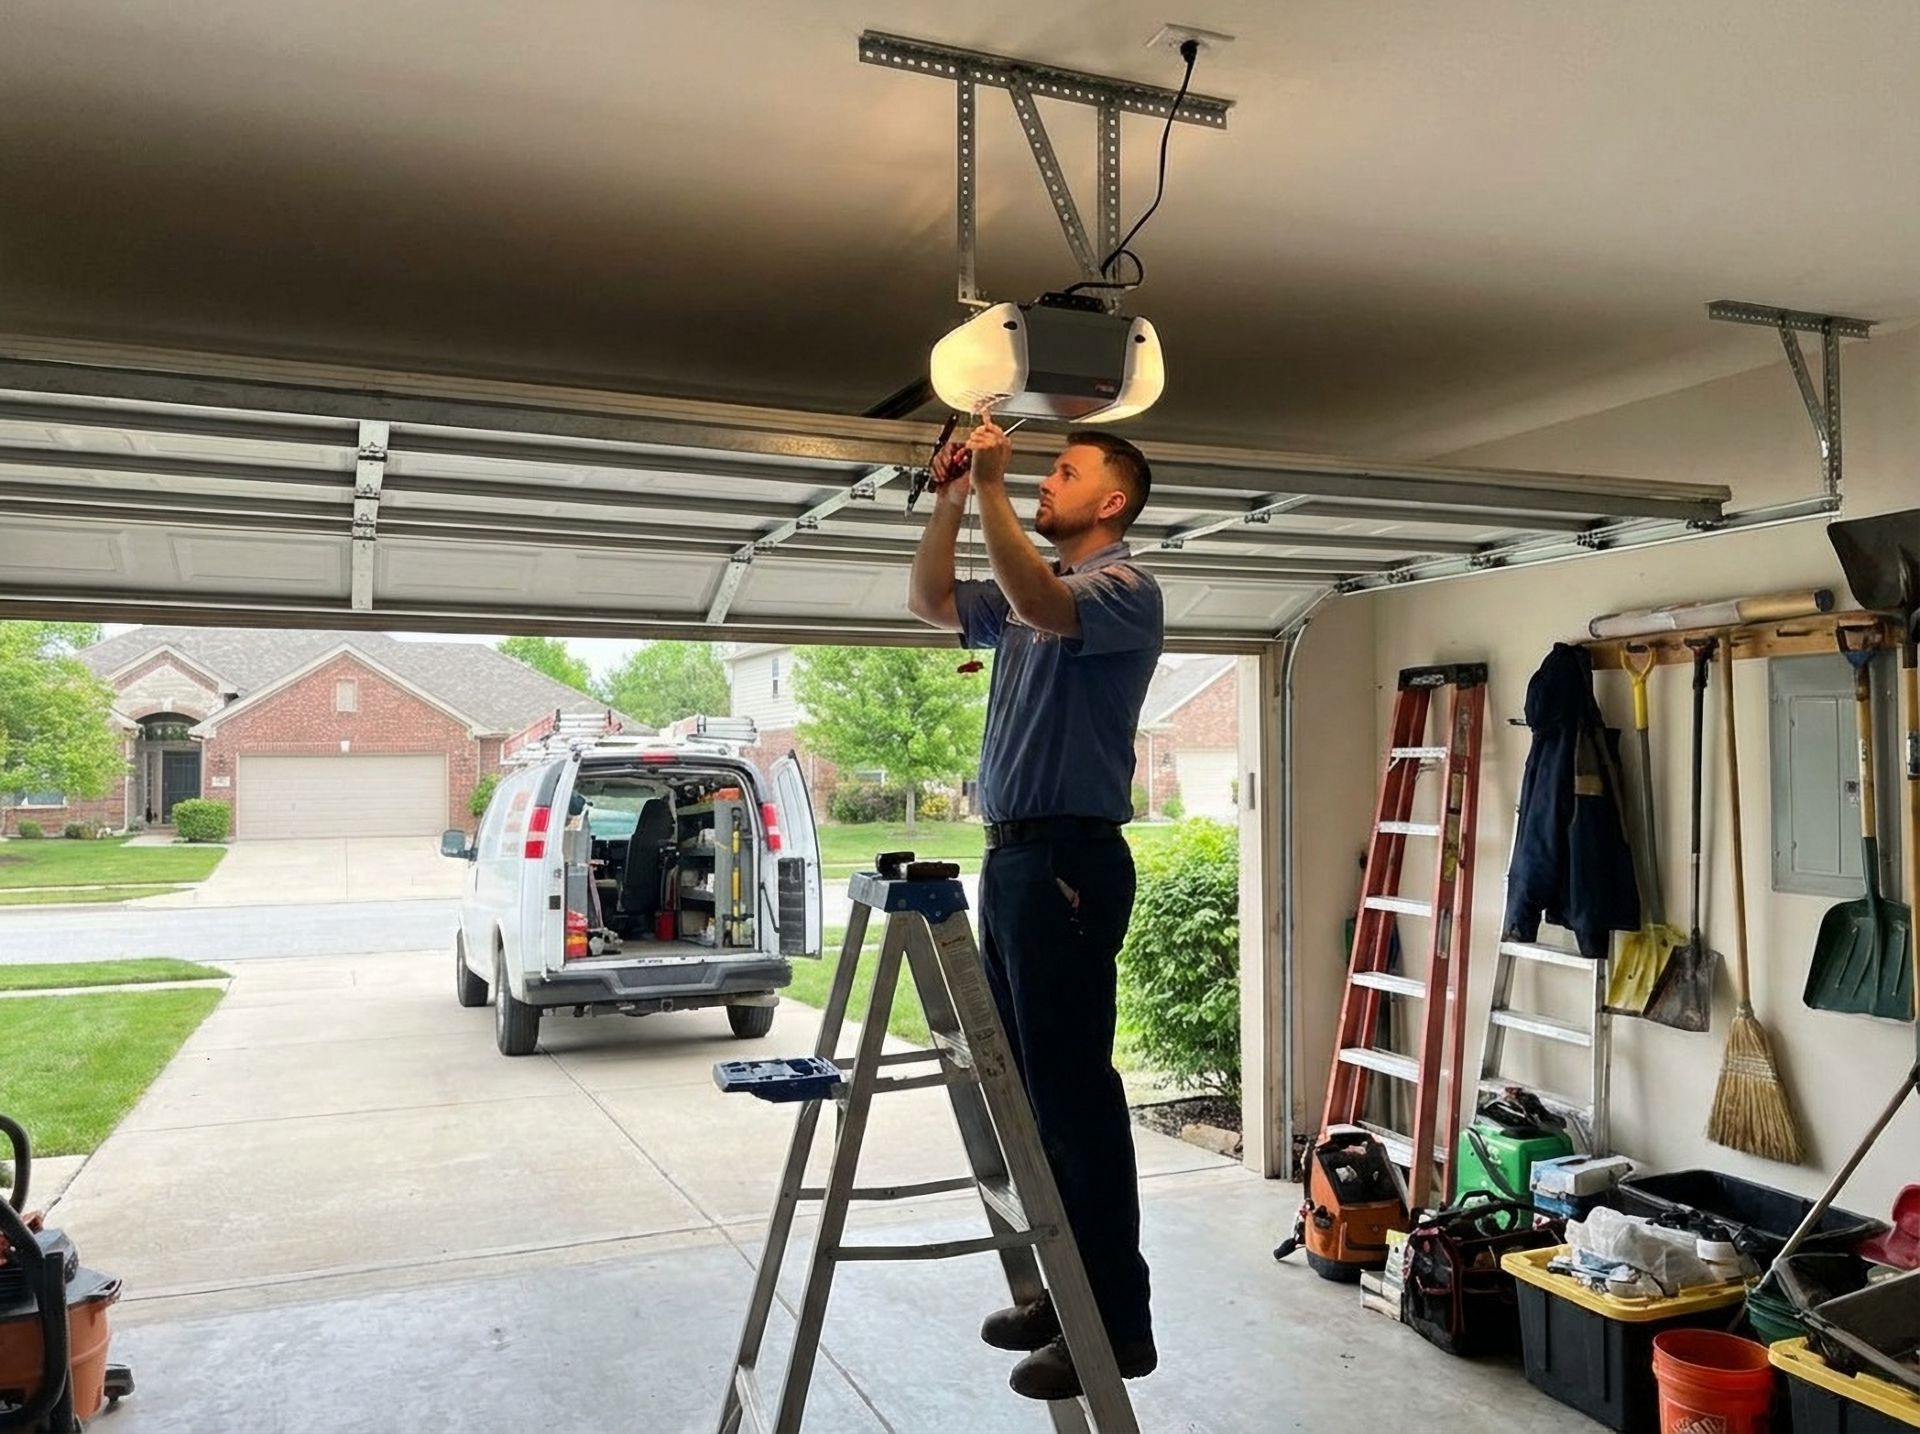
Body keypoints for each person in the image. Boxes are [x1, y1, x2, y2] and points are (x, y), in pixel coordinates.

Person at [907, 416, 1164, 1402]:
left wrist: (991, 489)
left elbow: (1037, 595)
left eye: (1064, 472)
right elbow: (931, 598)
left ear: (1110, 502)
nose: (1046, 484)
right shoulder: (1023, 604)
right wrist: (947, 495)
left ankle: (1117, 1323)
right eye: (1040, 473)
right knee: (1026, 1100)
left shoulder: (1124, 591)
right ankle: (1064, 1292)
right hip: (1014, 860)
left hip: (1066, 860)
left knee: (1073, 1101)